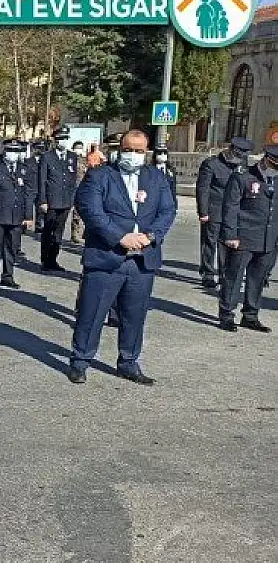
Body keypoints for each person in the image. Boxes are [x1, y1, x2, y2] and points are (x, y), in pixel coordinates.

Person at [68, 130, 176, 385]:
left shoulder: (155, 177)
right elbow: (89, 209)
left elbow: (168, 210)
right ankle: (80, 361)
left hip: (142, 259)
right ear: (119, 148)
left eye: (140, 151)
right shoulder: (100, 175)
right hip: (106, 257)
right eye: (129, 149)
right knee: (91, 312)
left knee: (134, 314)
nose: (134, 155)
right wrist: (119, 237)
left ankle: (128, 361)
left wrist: (151, 236)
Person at [217, 144, 278, 333]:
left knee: (258, 280)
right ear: (266, 159)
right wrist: (230, 234)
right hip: (243, 237)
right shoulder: (242, 176)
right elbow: (230, 207)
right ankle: (227, 314)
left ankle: (250, 316)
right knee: (233, 277)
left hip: (269, 240)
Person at [196, 137, 252, 288]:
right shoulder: (211, 164)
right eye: (238, 154)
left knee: (227, 245)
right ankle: (208, 273)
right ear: (231, 149)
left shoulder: (241, 165)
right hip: (214, 210)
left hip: (233, 213)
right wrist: (203, 212)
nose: (240, 159)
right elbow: (203, 189)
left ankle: (224, 274)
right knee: (209, 242)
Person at [0, 139, 34, 288]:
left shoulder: (23, 170)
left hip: (16, 216)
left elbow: (27, 194)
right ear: (4, 152)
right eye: (11, 151)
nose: (14, 155)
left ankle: (8, 275)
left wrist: (28, 215)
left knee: (12, 247)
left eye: (17, 152)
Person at [38, 127, 79, 272]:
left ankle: (53, 259)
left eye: (66, 138)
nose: (64, 141)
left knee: (59, 232)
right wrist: (42, 200)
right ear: (55, 141)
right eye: (61, 139)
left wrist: (73, 199)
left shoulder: (72, 157)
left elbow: (73, 179)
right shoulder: (47, 157)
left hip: (66, 201)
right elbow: (42, 180)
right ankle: (45, 260)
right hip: (51, 200)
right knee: (48, 230)